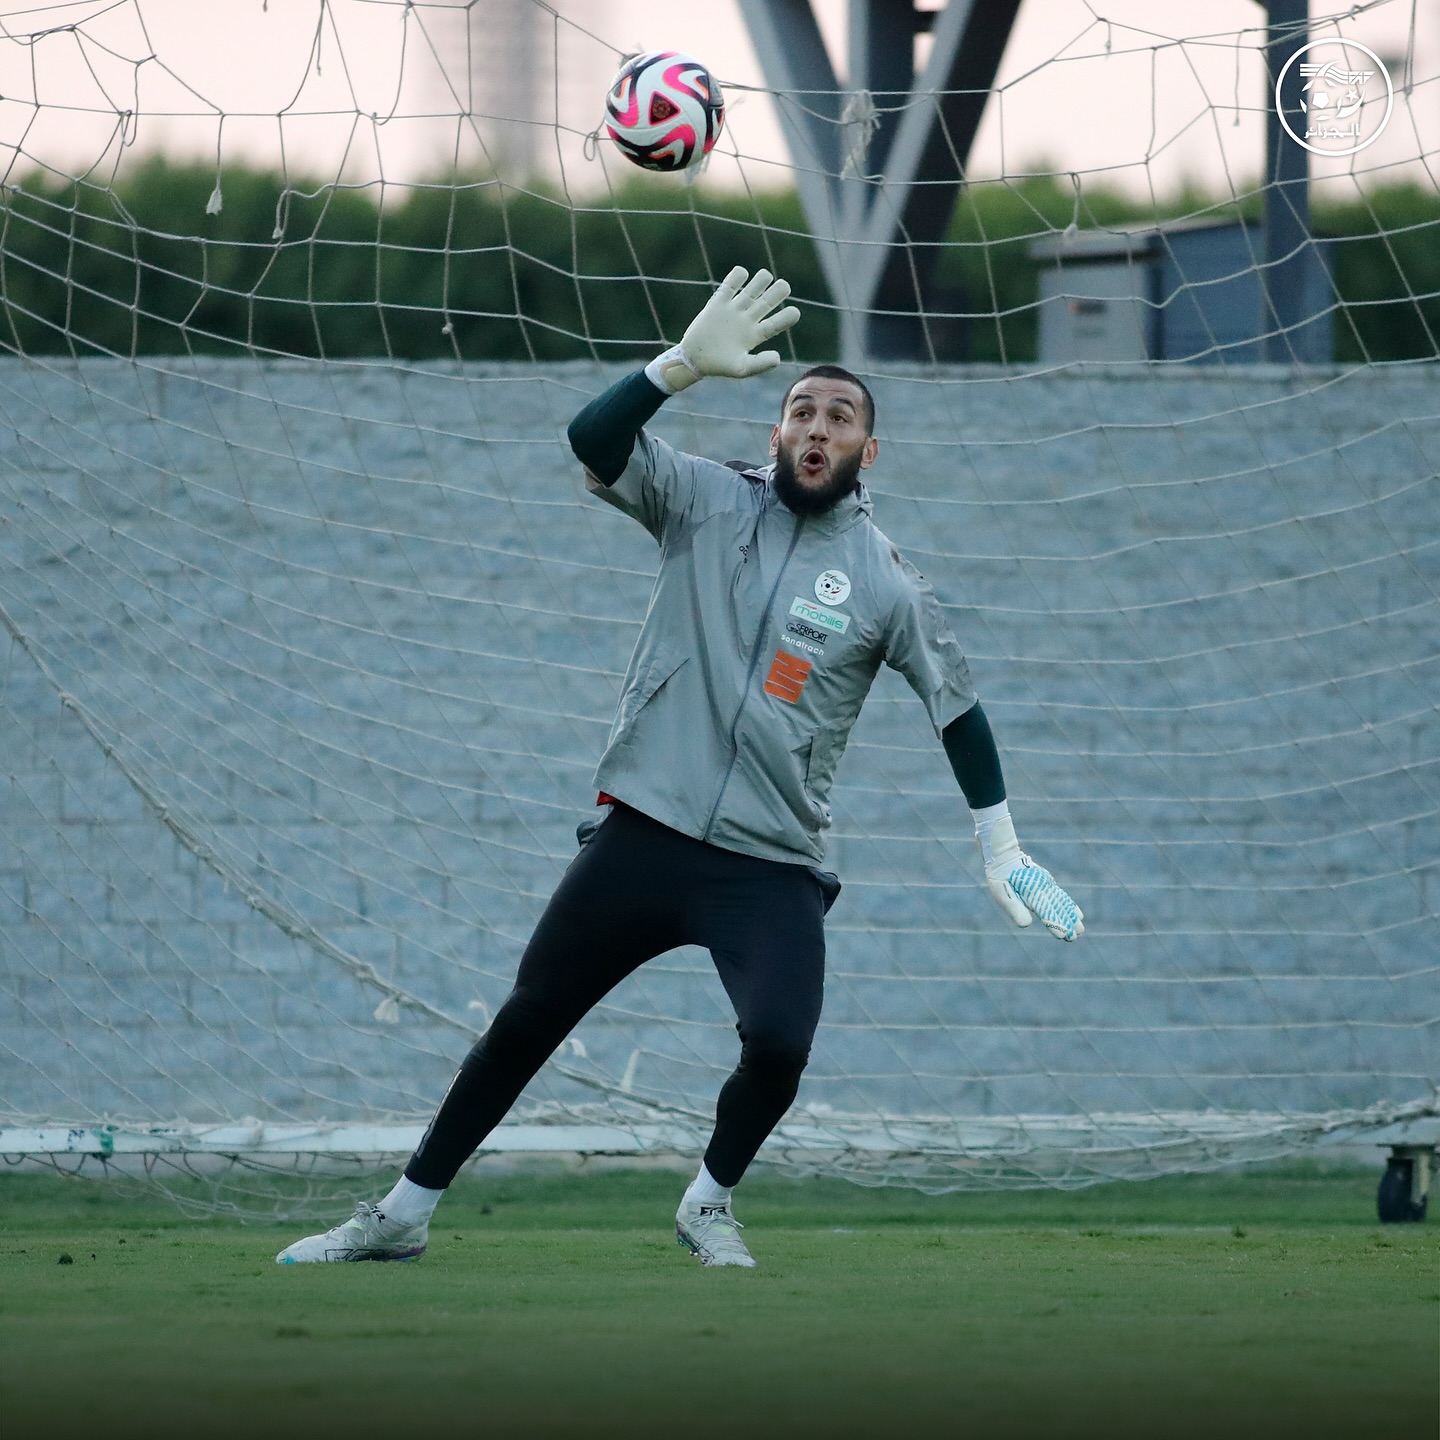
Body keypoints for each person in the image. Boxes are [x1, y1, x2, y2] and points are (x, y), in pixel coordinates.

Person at [276, 267, 1082, 1270]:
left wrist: (1000, 846)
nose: (817, 426)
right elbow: (593, 441)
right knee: (528, 1019)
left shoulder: (888, 583)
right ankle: (401, 1214)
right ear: (777, 433)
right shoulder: (703, 498)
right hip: (646, 831)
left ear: (867, 452)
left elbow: (957, 707)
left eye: (839, 417)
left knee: (780, 1044)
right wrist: (675, 368)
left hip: (770, 860)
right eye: (801, 411)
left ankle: (708, 1203)